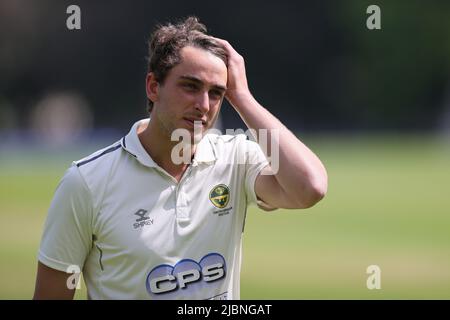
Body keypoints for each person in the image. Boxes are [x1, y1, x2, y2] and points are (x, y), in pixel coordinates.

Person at [33, 16, 328, 300]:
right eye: (190, 86)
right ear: (153, 86)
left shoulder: (236, 158)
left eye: (216, 93)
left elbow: (309, 187)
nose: (203, 105)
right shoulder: (86, 182)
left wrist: (242, 97)